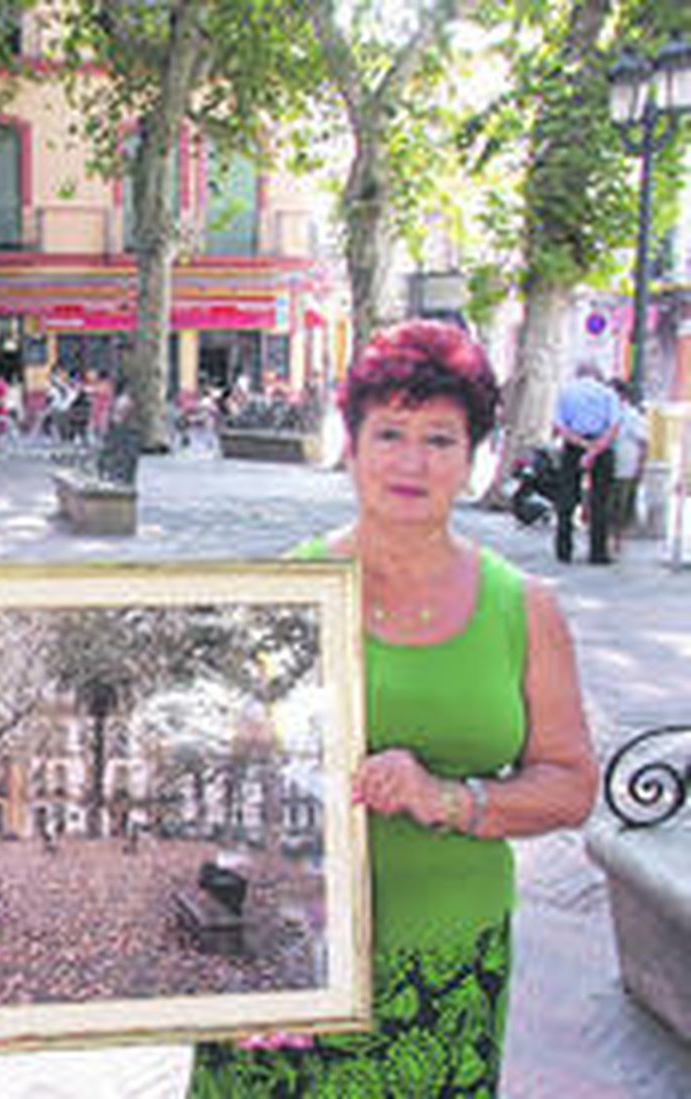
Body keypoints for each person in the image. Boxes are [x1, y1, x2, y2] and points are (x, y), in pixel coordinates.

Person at [189, 320, 598, 1097]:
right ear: (351, 445)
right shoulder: (281, 594)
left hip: (443, 964)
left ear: (473, 458)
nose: (412, 461)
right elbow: (205, 774)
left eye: (440, 438)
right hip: (289, 961)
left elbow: (572, 785)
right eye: (390, 433)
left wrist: (447, 797)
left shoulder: (525, 608)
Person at [551, 362, 621, 565]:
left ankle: (564, 549)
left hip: (573, 447)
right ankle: (598, 552)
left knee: (566, 498)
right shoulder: (608, 394)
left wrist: (582, 445)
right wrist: (595, 449)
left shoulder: (566, 392)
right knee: (600, 500)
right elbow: (614, 426)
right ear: (597, 374)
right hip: (602, 447)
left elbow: (560, 426)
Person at [607, 378, 649, 560]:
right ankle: (608, 537)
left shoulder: (631, 415)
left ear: (621, 395)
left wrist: (641, 465)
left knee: (621, 503)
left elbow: (643, 442)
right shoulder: (607, 412)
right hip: (608, 463)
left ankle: (617, 538)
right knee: (608, 501)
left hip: (626, 464)